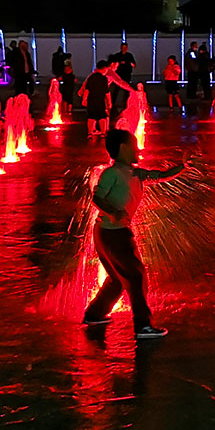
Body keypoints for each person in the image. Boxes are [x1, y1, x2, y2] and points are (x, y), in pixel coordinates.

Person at [83, 129, 193, 339]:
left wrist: (182, 166)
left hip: (110, 232)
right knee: (135, 275)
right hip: (112, 232)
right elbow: (96, 198)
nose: (139, 149)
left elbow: (160, 176)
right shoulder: (112, 173)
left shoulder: (134, 172)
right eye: (135, 145)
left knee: (117, 279)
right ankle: (143, 325)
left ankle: (95, 314)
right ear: (123, 148)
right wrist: (113, 212)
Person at [80, 60, 111, 136]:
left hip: (91, 100)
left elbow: (87, 90)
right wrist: (109, 102)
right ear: (104, 68)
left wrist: (84, 99)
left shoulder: (91, 78)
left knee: (91, 117)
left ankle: (90, 133)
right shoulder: (104, 79)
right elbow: (107, 92)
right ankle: (103, 133)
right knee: (102, 117)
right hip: (100, 100)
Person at [109, 43, 136, 114]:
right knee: (116, 89)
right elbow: (112, 63)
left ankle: (126, 102)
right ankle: (112, 102)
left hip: (126, 74)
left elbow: (133, 64)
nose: (124, 49)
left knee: (127, 88)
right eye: (123, 47)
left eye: (125, 47)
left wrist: (128, 63)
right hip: (118, 75)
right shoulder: (117, 56)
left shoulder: (129, 56)